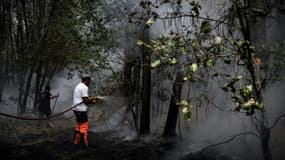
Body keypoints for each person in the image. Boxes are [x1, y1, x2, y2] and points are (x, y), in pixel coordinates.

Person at [72, 75, 101, 147]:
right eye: (89, 81)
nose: (89, 83)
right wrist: (93, 102)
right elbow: (85, 101)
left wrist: (92, 98)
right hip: (81, 109)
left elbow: (83, 98)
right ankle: (84, 144)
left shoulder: (78, 85)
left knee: (79, 125)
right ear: (87, 80)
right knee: (84, 126)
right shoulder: (84, 87)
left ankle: (76, 142)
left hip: (76, 109)